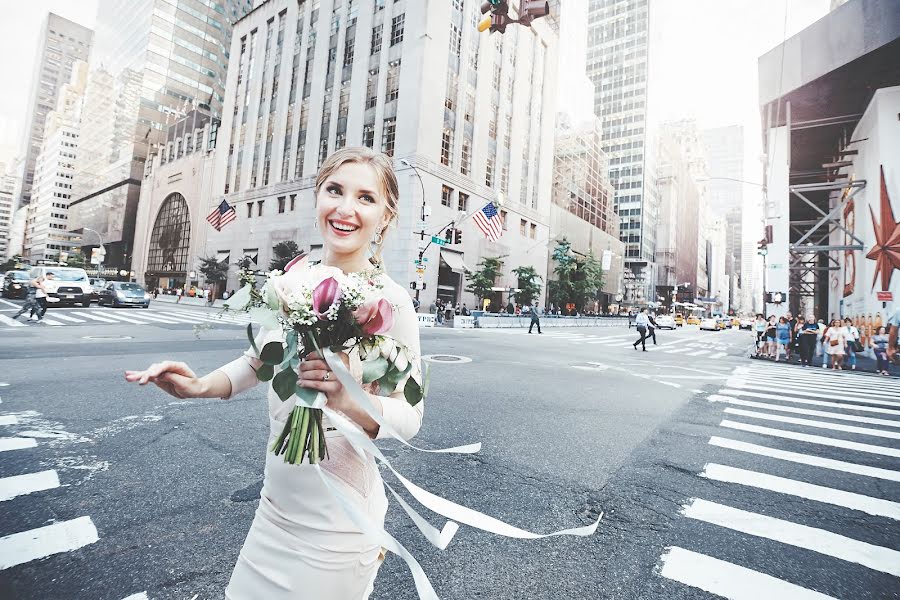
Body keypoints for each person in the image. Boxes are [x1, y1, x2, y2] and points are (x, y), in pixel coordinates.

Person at [125, 147, 423, 598]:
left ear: (385, 215)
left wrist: (349, 400)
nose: (345, 209)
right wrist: (199, 386)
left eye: (365, 198)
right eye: (334, 191)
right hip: (274, 511)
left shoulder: (391, 302)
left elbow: (411, 418)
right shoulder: (291, 281)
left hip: (338, 526)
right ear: (317, 197)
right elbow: (257, 362)